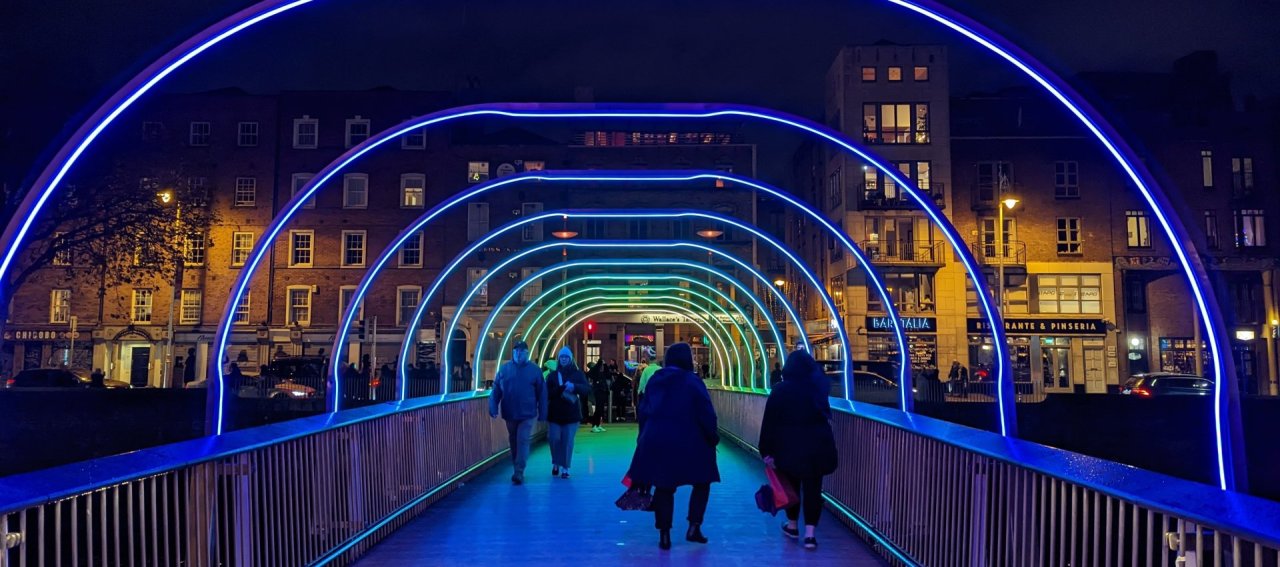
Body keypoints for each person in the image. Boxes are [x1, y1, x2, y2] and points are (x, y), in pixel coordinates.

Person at [626, 343, 719, 550]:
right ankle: (694, 526)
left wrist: (643, 438)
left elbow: (645, 411)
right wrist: (712, 437)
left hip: (659, 441)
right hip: (691, 442)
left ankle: (664, 534)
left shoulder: (656, 380)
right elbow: (706, 413)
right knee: (702, 482)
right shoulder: (693, 381)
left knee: (664, 486)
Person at [758, 350, 838, 551]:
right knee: (813, 490)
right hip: (816, 447)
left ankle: (793, 526)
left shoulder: (780, 390)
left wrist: (766, 450)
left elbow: (769, 422)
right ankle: (810, 535)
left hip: (788, 447)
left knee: (791, 487)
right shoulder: (817, 390)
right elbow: (825, 416)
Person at [488, 341, 547, 485]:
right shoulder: (504, 369)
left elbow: (542, 393)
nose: (519, 354)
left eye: (521, 351)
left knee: (522, 440)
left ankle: (519, 471)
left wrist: (543, 412)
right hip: (510, 412)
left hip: (527, 413)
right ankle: (517, 466)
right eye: (516, 351)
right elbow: (496, 390)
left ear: (527, 353)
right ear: (513, 353)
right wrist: (493, 407)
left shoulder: (534, 371)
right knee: (513, 440)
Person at [546, 347, 589, 478]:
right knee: (554, 439)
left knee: (567, 441)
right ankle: (556, 462)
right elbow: (547, 393)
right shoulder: (552, 376)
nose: (564, 359)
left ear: (570, 359)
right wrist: (561, 389)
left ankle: (565, 467)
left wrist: (574, 387)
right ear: (559, 359)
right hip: (555, 414)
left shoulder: (577, 374)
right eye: (562, 357)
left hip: (571, 414)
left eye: (566, 357)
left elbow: (586, 389)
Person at [589, 360, 611, 432]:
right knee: (598, 409)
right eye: (602, 365)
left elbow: (608, 373)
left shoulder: (603, 373)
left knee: (601, 409)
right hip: (598, 392)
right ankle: (594, 425)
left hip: (603, 391)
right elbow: (591, 372)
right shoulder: (595, 372)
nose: (603, 367)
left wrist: (605, 365)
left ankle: (598, 425)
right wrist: (600, 362)